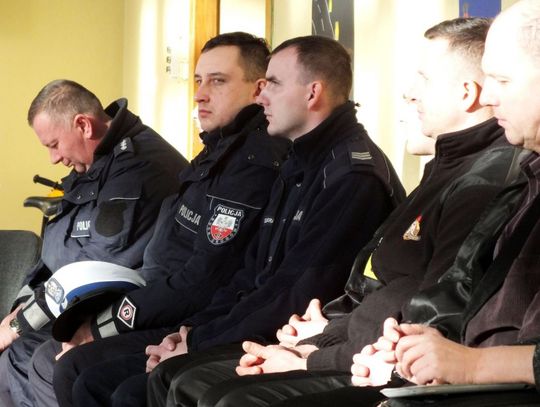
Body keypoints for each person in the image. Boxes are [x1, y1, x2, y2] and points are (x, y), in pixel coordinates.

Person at [146, 18, 530, 407]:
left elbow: (427, 308)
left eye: (423, 79)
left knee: (212, 393)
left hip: (398, 365)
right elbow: (357, 286)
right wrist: (323, 332)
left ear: (466, 94)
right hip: (348, 342)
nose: (409, 94)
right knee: (176, 379)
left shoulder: (467, 180)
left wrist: (314, 352)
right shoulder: (441, 169)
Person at [54, 35, 405, 407]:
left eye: (273, 84)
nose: (262, 96)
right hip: (244, 323)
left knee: (124, 388)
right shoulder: (298, 161)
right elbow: (249, 277)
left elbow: (295, 293)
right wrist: (190, 333)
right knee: (89, 374)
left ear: (312, 92)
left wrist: (197, 341)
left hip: (295, 338)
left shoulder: (350, 178)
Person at [18, 32, 291, 407]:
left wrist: (102, 327)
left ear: (258, 90)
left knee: (70, 367)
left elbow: (202, 280)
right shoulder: (218, 151)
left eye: (217, 81)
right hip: (158, 298)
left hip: (185, 312)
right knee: (51, 357)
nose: (199, 94)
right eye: (198, 81)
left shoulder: (251, 164)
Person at [346, 1, 540, 405]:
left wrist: (470, 365)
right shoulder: (526, 182)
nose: (488, 96)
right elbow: (460, 291)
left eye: (502, 80)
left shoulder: (496, 176)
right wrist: (411, 347)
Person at [0, 79, 188, 407]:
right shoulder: (98, 162)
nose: (53, 158)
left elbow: (99, 261)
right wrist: (22, 308)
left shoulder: (138, 169)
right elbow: (59, 249)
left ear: (84, 125)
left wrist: (20, 322)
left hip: (132, 305)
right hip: (85, 299)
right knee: (14, 350)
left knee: (27, 355)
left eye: (54, 144)